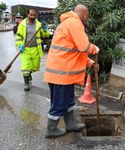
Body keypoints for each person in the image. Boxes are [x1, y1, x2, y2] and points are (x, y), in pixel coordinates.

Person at [43, 4, 100, 138]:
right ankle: (51, 130)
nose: (87, 20)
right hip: (61, 74)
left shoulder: (68, 23)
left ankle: (70, 124)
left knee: (68, 101)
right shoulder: (74, 23)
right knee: (59, 103)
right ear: (85, 15)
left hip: (61, 73)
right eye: (88, 17)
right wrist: (95, 49)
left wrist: (90, 63)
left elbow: (74, 51)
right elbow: (84, 47)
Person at [15, 8, 50, 91]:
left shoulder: (38, 24)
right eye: (31, 15)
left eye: (34, 15)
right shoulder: (22, 25)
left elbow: (46, 35)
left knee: (35, 67)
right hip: (25, 50)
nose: (33, 16)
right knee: (25, 67)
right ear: (27, 15)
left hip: (36, 49)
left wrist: (45, 30)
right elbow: (18, 37)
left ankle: (29, 73)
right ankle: (26, 83)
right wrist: (20, 45)